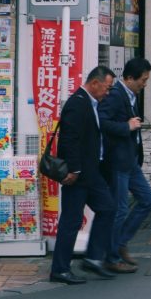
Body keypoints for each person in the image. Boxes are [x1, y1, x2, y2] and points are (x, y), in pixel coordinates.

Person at [50, 66, 118, 285]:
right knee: (71, 221)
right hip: (78, 175)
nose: (108, 92)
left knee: (107, 208)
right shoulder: (77, 103)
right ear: (95, 83)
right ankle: (60, 269)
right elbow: (69, 139)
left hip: (92, 172)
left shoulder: (91, 103)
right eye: (107, 87)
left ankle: (93, 258)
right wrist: (74, 170)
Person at [99, 58, 151, 273]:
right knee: (120, 209)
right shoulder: (116, 95)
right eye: (143, 80)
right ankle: (112, 257)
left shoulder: (132, 95)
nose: (145, 84)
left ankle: (121, 243)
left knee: (148, 200)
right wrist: (126, 126)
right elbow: (102, 121)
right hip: (118, 161)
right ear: (130, 78)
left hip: (130, 160)